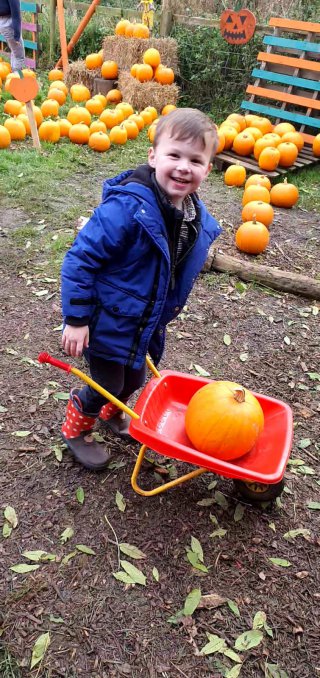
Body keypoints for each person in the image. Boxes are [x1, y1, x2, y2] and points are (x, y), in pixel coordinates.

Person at [60, 107, 222, 471]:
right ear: (153, 157)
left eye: (196, 160)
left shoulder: (192, 216)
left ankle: (111, 412)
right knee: (106, 380)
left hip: (144, 320)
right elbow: (79, 260)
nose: (183, 167)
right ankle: (76, 426)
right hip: (107, 319)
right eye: (174, 155)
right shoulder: (128, 207)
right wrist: (76, 319)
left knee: (135, 376)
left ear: (208, 169)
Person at [0, 0, 25, 71]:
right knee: (19, 57)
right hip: (9, 24)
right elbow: (16, 14)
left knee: (14, 52)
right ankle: (17, 78)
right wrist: (17, 36)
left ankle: (12, 76)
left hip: (3, 22)